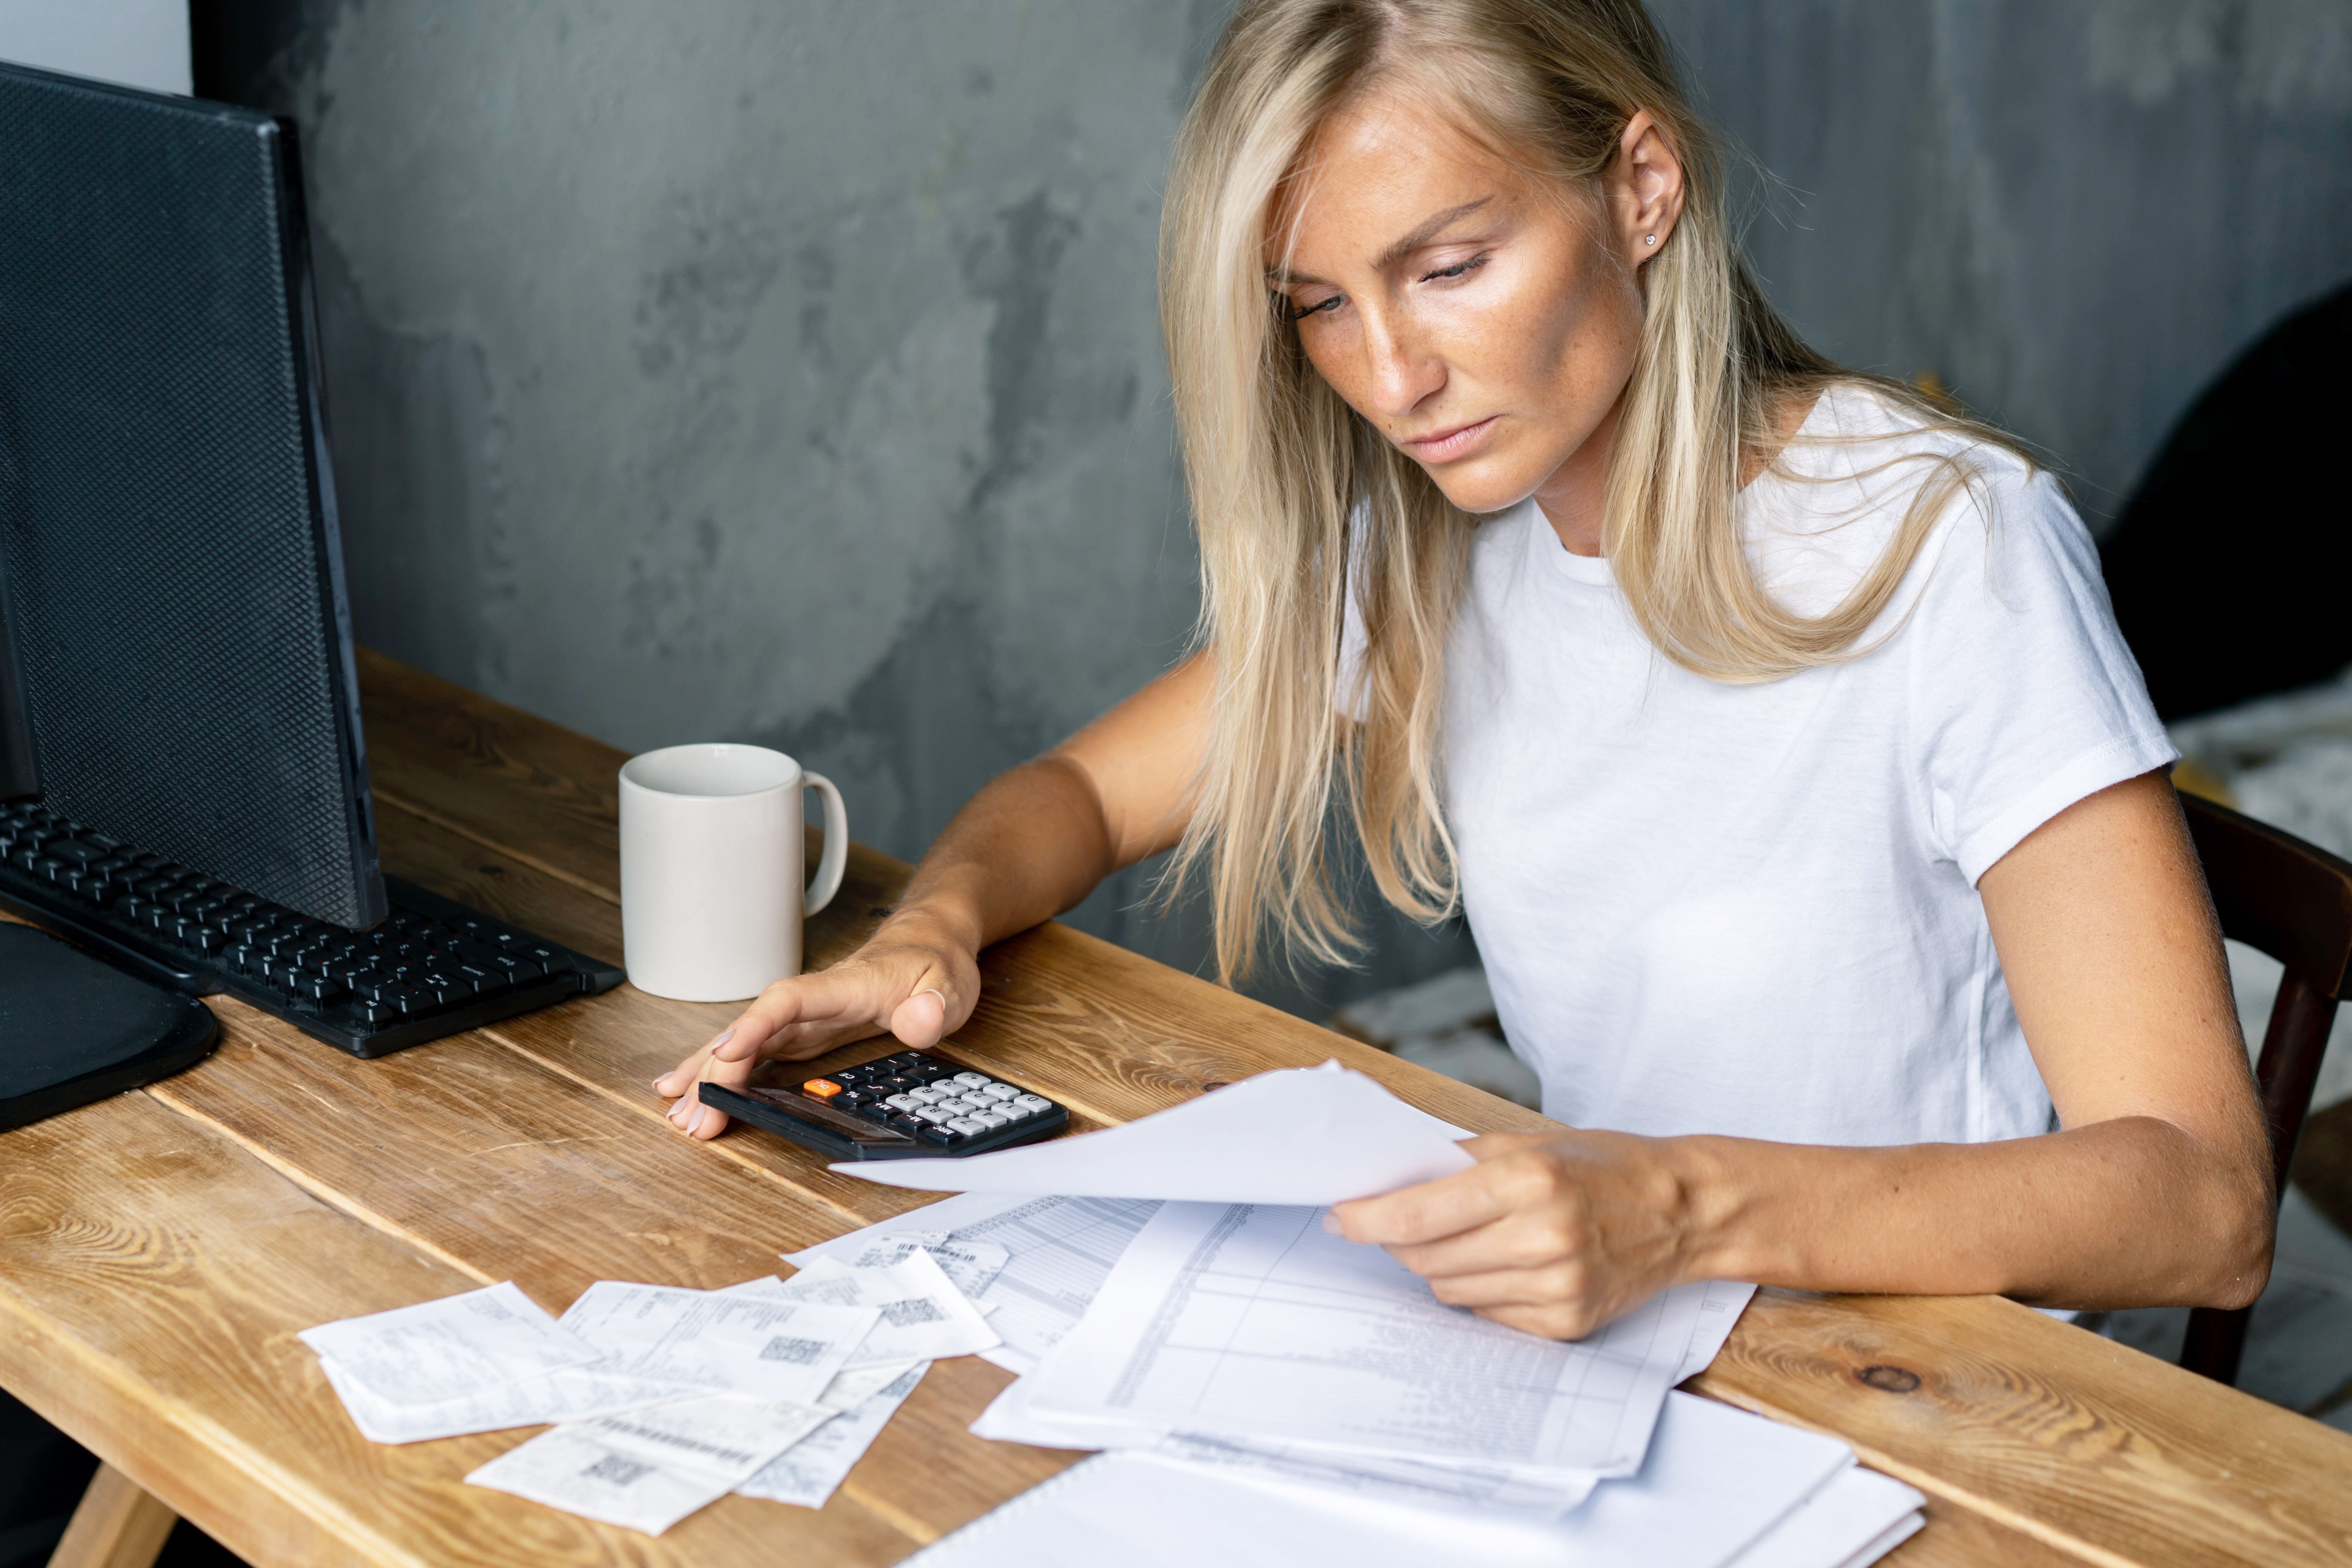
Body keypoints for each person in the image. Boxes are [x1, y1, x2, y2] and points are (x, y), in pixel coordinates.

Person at [659, 0, 2272, 1339]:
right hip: (1637, 1346)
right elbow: (1076, 792)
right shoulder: (1436, 545)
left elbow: (2202, 1205)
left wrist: (1673, 1206)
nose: (1393, 376)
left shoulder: (1952, 548)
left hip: (1944, 1396)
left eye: (1448, 269)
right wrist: (930, 933)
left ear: (1641, 189)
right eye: (1321, 308)